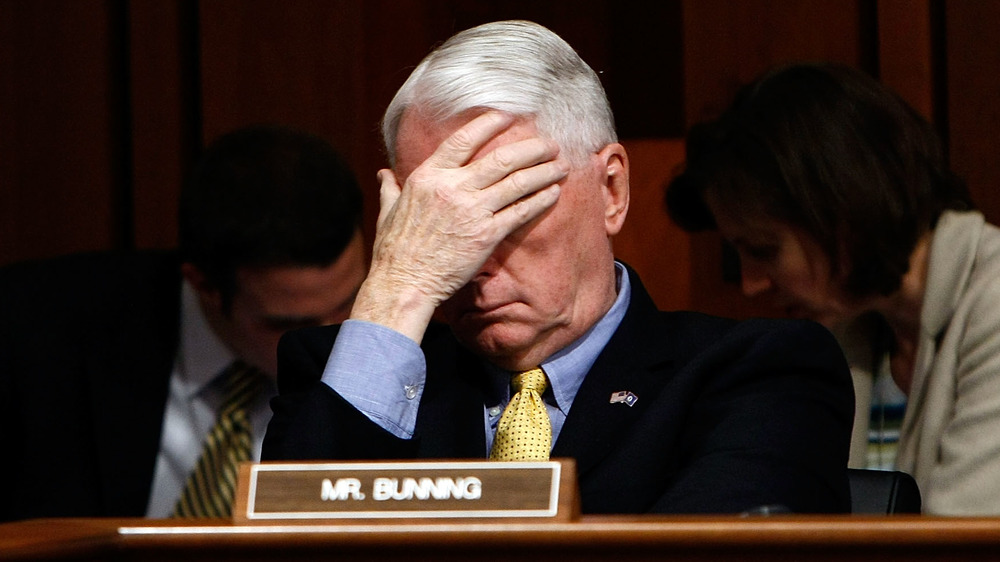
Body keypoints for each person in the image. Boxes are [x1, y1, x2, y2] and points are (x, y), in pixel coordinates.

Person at [262, 20, 854, 514]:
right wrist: (399, 287)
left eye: (503, 208)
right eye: (440, 222)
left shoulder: (760, 374)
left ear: (612, 189)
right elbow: (289, 557)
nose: (472, 261)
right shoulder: (337, 379)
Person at [665, 62, 1000, 515]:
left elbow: (963, 540)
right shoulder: (853, 334)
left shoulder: (992, 297)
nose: (750, 285)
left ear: (843, 210)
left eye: (763, 249)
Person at [0, 124, 367, 521]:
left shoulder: (406, 356)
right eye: (293, 325)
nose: (335, 341)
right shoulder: (35, 337)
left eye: (352, 301)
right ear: (203, 284)